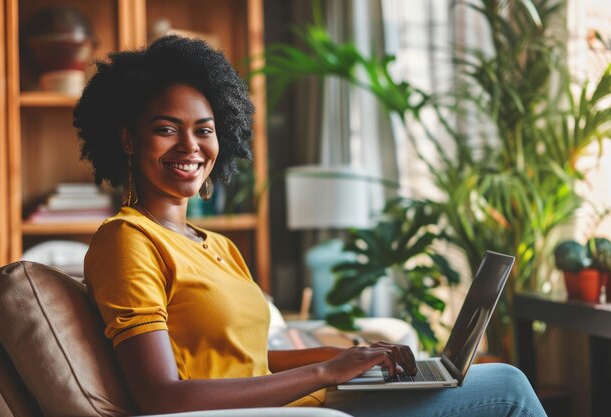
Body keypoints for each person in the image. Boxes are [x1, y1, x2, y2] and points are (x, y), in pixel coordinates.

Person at [75, 35, 547, 417]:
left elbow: (251, 362)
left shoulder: (216, 244)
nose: (190, 145)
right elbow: (160, 396)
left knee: (499, 378)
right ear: (127, 140)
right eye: (165, 128)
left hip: (303, 400)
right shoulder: (127, 241)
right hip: (282, 412)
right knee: (506, 385)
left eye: (204, 129)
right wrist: (325, 374)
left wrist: (351, 359)